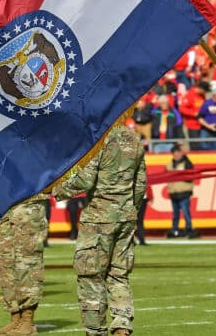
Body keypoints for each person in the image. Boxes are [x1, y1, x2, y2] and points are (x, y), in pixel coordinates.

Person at [54, 120, 147, 336]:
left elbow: (85, 181)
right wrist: (129, 210)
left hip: (99, 217)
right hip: (125, 216)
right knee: (119, 274)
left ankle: (95, 330)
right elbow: (141, 183)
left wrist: (56, 189)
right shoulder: (134, 138)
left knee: (90, 275)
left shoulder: (99, 138)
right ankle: (122, 325)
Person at [0, 194, 48, 336]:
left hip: (28, 204)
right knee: (5, 263)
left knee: (27, 263)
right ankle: (15, 318)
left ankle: (27, 321)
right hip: (5, 205)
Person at [165, 143, 200, 238]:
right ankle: (175, 230)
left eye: (178, 153)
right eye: (174, 153)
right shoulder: (169, 165)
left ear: (181, 153)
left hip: (184, 192)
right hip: (173, 192)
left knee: (186, 213)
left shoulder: (187, 163)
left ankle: (189, 229)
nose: (176, 155)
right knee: (175, 215)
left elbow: (191, 176)